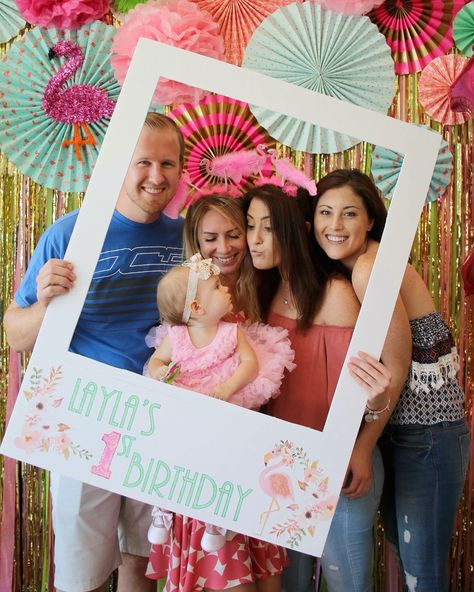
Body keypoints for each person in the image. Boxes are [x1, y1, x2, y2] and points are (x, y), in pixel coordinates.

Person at [4, 113, 185, 592]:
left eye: (168, 162)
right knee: (81, 575)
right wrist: (44, 302)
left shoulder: (188, 238)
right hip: (84, 418)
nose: (156, 175)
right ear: (117, 164)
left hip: (160, 420)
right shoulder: (71, 234)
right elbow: (15, 336)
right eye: (143, 161)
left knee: (142, 561)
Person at [243, 183, 408, 592]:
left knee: (347, 582)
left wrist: (363, 447)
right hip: (282, 466)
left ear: (297, 230)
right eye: (249, 226)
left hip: (340, 465)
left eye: (269, 227)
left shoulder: (336, 293)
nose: (255, 239)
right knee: (291, 584)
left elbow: (375, 384)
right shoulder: (264, 290)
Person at [313, 168, 470, 592]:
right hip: (399, 433)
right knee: (407, 560)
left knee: (422, 571)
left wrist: (362, 447)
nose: (335, 225)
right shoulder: (348, 271)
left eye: (349, 214)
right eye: (325, 212)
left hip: (428, 436)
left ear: (369, 221)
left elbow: (394, 369)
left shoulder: (367, 267)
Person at [145, 194, 291, 592]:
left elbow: (251, 366)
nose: (224, 247)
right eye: (211, 237)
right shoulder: (184, 303)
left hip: (248, 447)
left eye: (234, 234)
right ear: (195, 241)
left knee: (263, 568)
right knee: (223, 569)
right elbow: (161, 363)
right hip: (199, 452)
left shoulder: (266, 280)